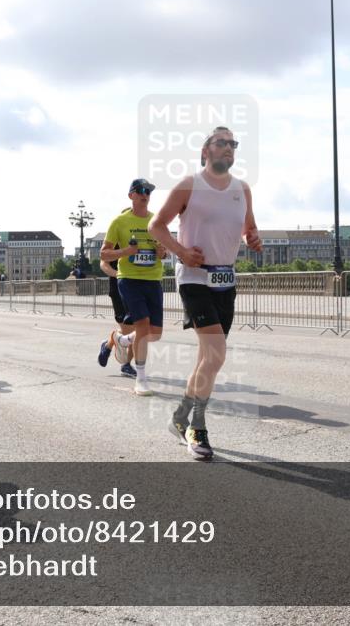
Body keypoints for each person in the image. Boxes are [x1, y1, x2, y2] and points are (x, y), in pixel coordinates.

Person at [148, 126, 262, 460]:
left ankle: (180, 416)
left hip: (225, 280)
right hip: (194, 278)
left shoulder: (242, 189)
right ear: (205, 151)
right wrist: (182, 252)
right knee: (216, 354)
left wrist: (252, 239)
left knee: (207, 359)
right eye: (221, 143)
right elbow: (156, 226)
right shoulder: (189, 185)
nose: (228, 148)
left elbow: (248, 228)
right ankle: (196, 426)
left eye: (233, 144)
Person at [101, 178, 167, 396]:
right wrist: (125, 253)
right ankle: (141, 378)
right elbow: (104, 254)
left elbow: (164, 251)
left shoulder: (156, 220)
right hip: (129, 278)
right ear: (131, 195)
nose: (145, 194)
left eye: (148, 191)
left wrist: (161, 253)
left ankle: (120, 339)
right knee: (142, 324)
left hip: (153, 279)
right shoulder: (119, 222)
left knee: (154, 333)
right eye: (140, 190)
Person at [97, 208, 137, 378]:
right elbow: (103, 263)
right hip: (119, 288)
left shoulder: (139, 239)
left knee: (140, 329)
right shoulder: (116, 238)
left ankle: (122, 358)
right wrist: (117, 274)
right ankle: (113, 342)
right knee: (129, 331)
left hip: (139, 287)